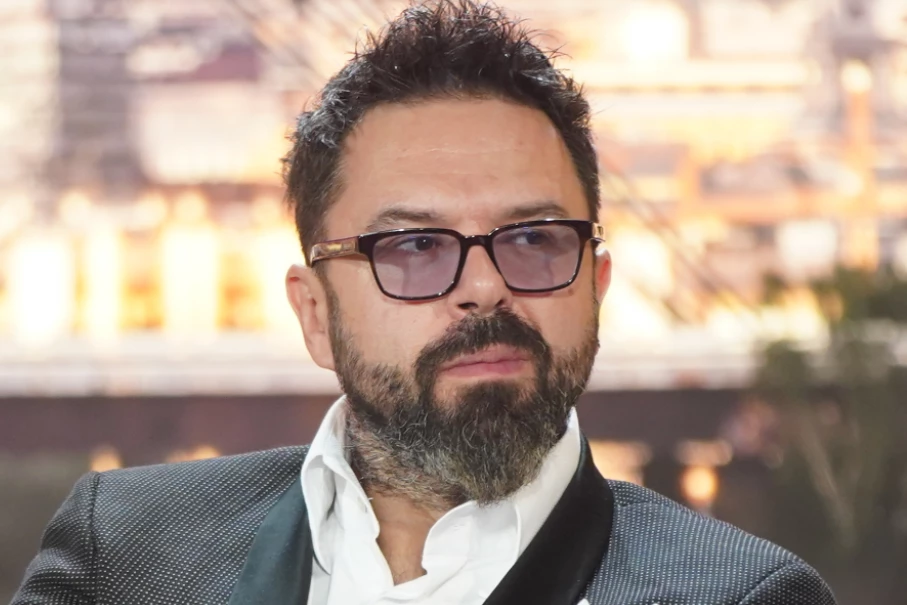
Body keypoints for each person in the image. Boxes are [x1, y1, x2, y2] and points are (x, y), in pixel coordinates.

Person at [13, 1, 836, 604]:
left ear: (597, 285)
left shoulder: (740, 592)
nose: (484, 285)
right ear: (313, 314)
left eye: (533, 238)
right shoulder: (126, 551)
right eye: (413, 247)